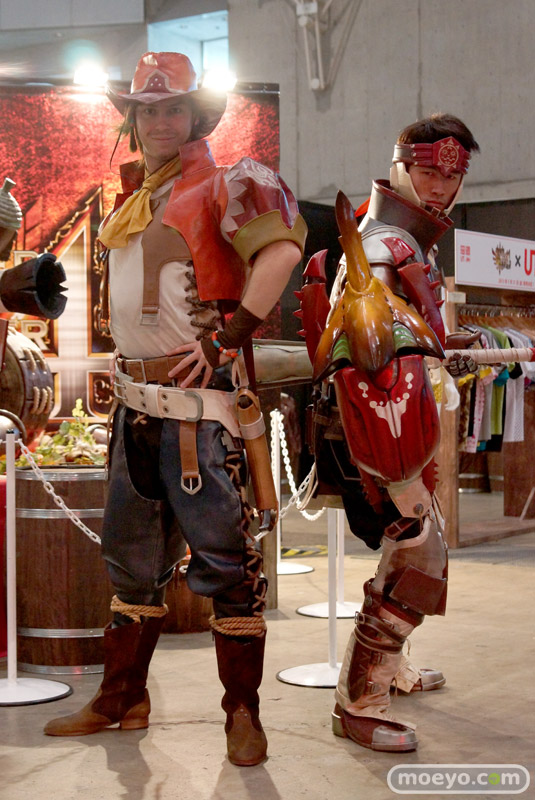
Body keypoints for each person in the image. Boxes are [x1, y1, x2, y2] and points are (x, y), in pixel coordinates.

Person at [44, 51, 307, 767]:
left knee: (226, 566)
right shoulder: (137, 196)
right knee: (130, 566)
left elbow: (281, 254)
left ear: (196, 115)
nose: (160, 121)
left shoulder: (229, 181)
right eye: (148, 110)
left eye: (173, 108)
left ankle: (242, 714)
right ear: (133, 119)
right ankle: (122, 698)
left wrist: (226, 339)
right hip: (136, 409)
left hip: (199, 416)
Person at [301, 113, 479, 752]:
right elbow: (368, 360)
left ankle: (391, 670)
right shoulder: (383, 246)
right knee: (417, 559)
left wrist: (444, 344)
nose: (440, 186)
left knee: (408, 552)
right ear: (399, 164)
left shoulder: (403, 242)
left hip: (401, 426)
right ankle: (359, 701)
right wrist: (397, 471)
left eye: (452, 176)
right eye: (428, 170)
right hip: (382, 433)